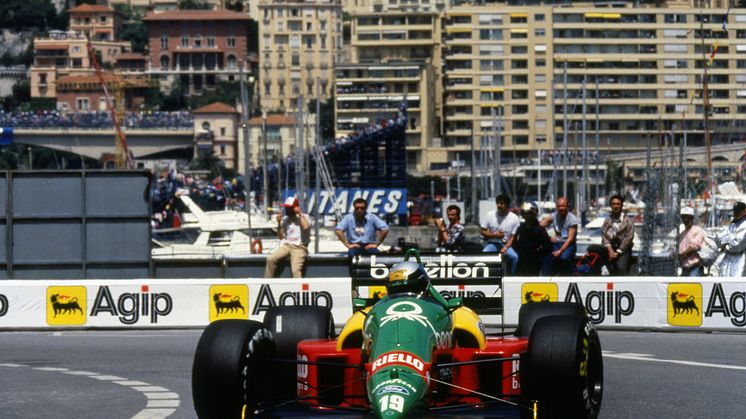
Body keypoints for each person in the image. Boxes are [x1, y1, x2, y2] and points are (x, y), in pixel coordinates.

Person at [264, 197, 310, 278]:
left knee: (295, 271)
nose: (286, 210)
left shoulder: (304, 217)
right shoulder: (285, 219)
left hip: (300, 246)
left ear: (294, 208)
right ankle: (267, 283)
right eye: (286, 208)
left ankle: (298, 289)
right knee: (270, 259)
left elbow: (306, 227)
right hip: (287, 245)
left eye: (289, 208)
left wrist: (300, 213)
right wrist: (279, 223)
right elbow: (281, 237)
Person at [504, 201, 552, 276]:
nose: (527, 215)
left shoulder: (540, 229)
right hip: (521, 261)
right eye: (524, 213)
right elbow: (515, 243)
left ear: (534, 214)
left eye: (529, 213)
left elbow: (547, 247)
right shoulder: (521, 228)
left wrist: (538, 254)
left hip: (535, 262)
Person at [480, 194, 520, 273]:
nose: (498, 205)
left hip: (506, 245)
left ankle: (511, 275)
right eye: (497, 203)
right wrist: (495, 235)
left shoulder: (514, 218)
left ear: (507, 205)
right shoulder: (490, 215)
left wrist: (505, 248)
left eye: (501, 203)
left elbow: (513, 237)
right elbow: (482, 231)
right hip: (493, 243)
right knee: (483, 255)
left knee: (514, 257)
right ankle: (486, 274)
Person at [540, 196, 578, 275]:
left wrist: (560, 251)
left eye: (563, 206)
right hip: (556, 244)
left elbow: (570, 239)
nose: (561, 208)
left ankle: (574, 271)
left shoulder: (572, 219)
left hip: (568, 245)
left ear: (567, 207)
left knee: (563, 258)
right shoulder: (554, 216)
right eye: (559, 206)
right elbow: (540, 225)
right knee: (547, 259)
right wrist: (548, 236)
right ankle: (546, 280)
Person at [601, 194, 635, 275]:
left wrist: (618, 252)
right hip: (610, 248)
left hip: (624, 249)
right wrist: (610, 250)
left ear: (621, 205)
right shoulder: (607, 220)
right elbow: (604, 236)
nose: (615, 206)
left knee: (621, 268)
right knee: (605, 269)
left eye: (618, 204)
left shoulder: (628, 221)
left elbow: (628, 238)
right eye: (613, 204)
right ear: (611, 206)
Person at [716, 201, 746, 277]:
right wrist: (727, 241)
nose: (736, 213)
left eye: (739, 211)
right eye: (735, 211)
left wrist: (725, 245)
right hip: (728, 261)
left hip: (741, 261)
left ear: (744, 211)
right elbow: (718, 238)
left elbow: (738, 245)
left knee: (737, 285)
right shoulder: (732, 225)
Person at [677, 206, 705, 277]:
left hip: (695, 267)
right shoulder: (682, 234)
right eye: (684, 217)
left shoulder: (697, 230)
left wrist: (681, 253)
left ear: (692, 218)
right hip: (684, 268)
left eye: (688, 217)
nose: (686, 220)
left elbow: (694, 246)